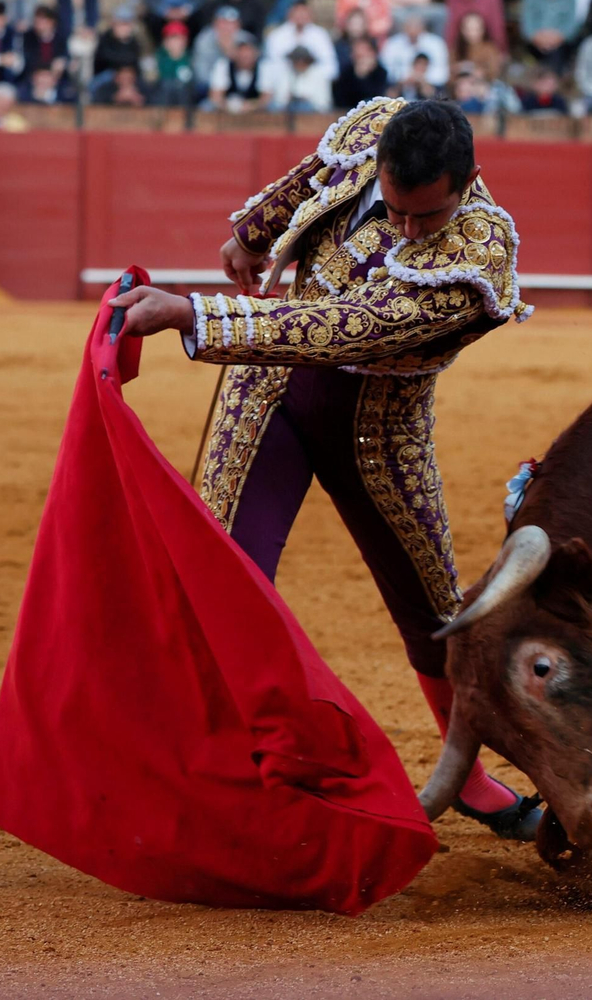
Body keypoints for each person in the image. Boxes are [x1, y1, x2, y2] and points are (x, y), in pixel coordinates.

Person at [106, 98, 544, 844]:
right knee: (224, 578)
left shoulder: (478, 254)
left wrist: (194, 315)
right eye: (399, 211)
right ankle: (211, 774)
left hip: (376, 430)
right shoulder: (374, 129)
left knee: (434, 610)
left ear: (470, 181)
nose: (409, 229)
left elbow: (346, 326)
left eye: (426, 218)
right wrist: (253, 234)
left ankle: (466, 778)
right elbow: (312, 176)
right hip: (267, 391)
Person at [521, 0, 579, 73]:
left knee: (556, 57)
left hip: (559, 44)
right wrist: (539, 38)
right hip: (535, 43)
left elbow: (570, 24)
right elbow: (527, 23)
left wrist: (555, 38)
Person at [444, 0, 508, 56]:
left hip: (486, 46)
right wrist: (448, 50)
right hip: (461, 47)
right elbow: (451, 27)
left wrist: (501, 50)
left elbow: (496, 26)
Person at [381, 10, 449, 88]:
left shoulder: (436, 44)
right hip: (399, 87)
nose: (413, 31)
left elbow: (442, 73)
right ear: (404, 27)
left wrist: (421, 79)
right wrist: (405, 78)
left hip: (430, 88)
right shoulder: (392, 44)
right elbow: (385, 69)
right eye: (409, 26)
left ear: (423, 27)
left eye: (416, 26)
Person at [209, 33, 272, 111]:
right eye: (241, 52)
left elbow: (266, 98)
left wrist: (250, 106)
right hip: (226, 110)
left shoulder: (264, 67)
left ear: (255, 53)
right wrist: (231, 107)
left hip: (256, 112)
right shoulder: (223, 65)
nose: (244, 57)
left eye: (248, 53)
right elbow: (215, 96)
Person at [334, 36, 391, 105]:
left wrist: (365, 77)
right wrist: (359, 75)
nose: (360, 55)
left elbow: (378, 96)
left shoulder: (381, 73)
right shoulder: (346, 73)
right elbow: (341, 99)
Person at [154, 20, 196, 106]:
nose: (175, 42)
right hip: (163, 98)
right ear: (165, 41)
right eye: (172, 38)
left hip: (185, 100)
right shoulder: (158, 57)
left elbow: (190, 79)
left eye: (179, 38)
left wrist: (178, 57)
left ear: (185, 40)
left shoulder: (191, 58)